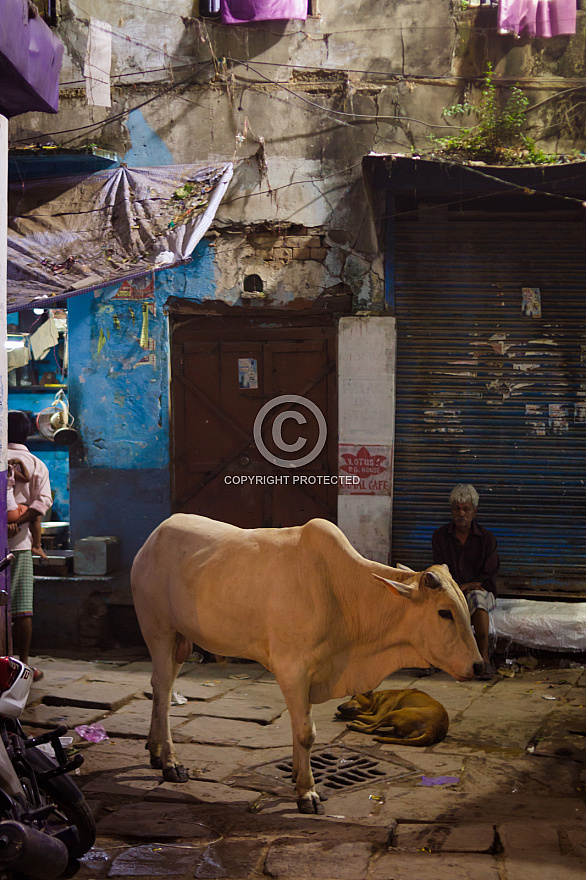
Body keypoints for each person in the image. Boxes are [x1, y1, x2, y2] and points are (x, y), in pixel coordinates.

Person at [432, 483, 500, 680]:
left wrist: (467, 587)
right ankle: (431, 658)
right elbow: (440, 569)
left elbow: (488, 575)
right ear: (451, 510)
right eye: (456, 508)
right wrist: (456, 588)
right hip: (451, 589)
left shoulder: (486, 539)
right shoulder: (440, 537)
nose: (461, 513)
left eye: (466, 509)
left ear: (474, 511)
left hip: (480, 591)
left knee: (477, 599)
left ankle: (484, 657)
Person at [6, 411, 53, 681]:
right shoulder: (37, 464)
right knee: (21, 610)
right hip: (21, 546)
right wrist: (21, 519)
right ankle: (23, 668)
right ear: (29, 434)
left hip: (8, 540)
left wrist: (6, 521)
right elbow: (43, 503)